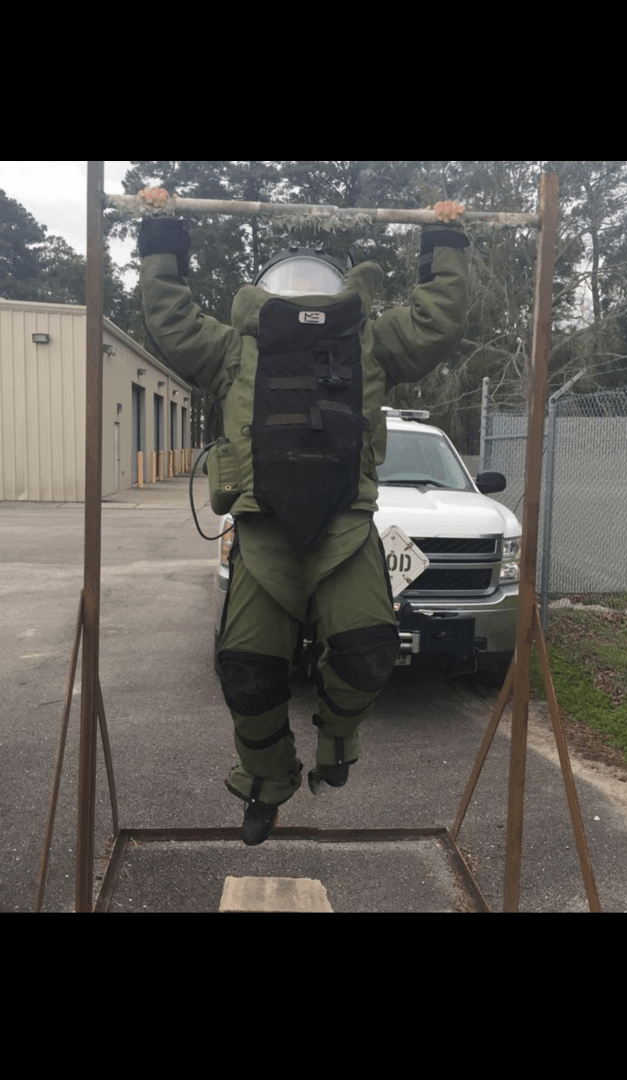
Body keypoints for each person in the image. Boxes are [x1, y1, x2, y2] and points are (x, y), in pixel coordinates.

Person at [137, 189, 469, 845]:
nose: (302, 292)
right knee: (246, 670)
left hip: (344, 529)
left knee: (369, 652)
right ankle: (265, 786)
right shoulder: (237, 350)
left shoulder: (369, 343)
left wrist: (444, 243)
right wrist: (162, 232)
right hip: (263, 535)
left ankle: (337, 743)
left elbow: (438, 319)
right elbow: (170, 320)